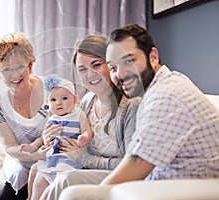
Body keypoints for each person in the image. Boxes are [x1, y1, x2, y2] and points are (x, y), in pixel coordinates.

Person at [56, 24, 219, 200]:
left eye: (129, 61)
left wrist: (97, 193)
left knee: (74, 195)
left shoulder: (165, 97)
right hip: (160, 181)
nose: (120, 74)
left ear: (153, 57)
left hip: (186, 187)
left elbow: (134, 165)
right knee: (68, 184)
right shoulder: (161, 86)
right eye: (113, 67)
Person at [41, 34, 141, 200]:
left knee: (65, 180)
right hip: (87, 171)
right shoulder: (87, 101)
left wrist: (83, 158)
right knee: (44, 177)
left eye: (96, 65)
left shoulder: (131, 105)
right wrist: (48, 137)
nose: (90, 74)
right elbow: (69, 134)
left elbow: (131, 165)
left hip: (119, 177)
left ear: (111, 64)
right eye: (82, 69)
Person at [0, 32, 50, 200]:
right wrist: (35, 156)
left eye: (20, 67)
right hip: (23, 161)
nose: (14, 74)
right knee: (13, 188)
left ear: (30, 66)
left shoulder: (51, 88)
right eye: (6, 69)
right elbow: (10, 146)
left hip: (55, 156)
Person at [23, 74, 93, 200]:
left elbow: (87, 130)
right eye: (53, 100)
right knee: (34, 171)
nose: (59, 103)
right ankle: (30, 197)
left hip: (68, 158)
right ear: (48, 103)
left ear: (75, 100)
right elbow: (42, 137)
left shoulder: (78, 115)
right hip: (53, 156)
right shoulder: (52, 119)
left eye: (65, 98)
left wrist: (84, 137)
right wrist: (33, 146)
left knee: (40, 181)